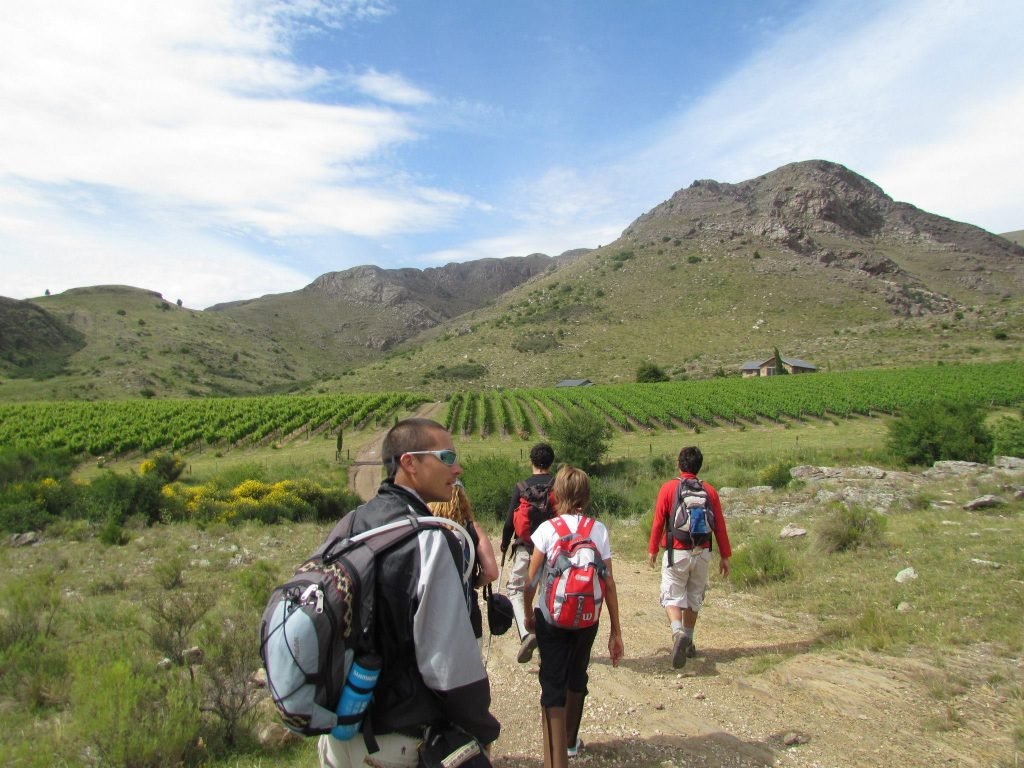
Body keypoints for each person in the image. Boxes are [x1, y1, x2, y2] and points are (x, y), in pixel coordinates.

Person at [318, 418, 501, 768]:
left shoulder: (351, 524)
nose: (457, 467)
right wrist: (482, 727)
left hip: (341, 738)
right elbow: (449, 667)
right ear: (410, 463)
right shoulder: (432, 539)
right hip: (399, 743)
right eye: (446, 457)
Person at [523, 466, 623, 767]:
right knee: (577, 675)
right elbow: (607, 582)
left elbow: (530, 581)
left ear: (557, 495)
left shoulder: (547, 530)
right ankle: (568, 743)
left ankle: (555, 760)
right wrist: (615, 630)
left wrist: (529, 613)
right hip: (587, 618)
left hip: (551, 618)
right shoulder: (599, 530)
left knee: (552, 682)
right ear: (587, 496)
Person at [647, 445, 731, 669]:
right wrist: (725, 556)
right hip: (702, 551)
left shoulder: (669, 488)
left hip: (677, 551)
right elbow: (720, 526)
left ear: (678, 464)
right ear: (699, 466)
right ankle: (690, 640)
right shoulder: (710, 491)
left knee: (672, 594)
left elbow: (658, 522)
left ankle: (678, 634)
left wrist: (653, 549)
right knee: (694, 596)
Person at [500, 442, 555, 663]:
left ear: (531, 461)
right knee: (546, 594)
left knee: (515, 589)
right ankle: (545, 646)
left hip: (525, 547)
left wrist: (504, 544)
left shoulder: (522, 486)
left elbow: (508, 521)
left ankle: (526, 634)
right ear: (551, 462)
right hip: (551, 550)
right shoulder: (557, 485)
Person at [428, 480, 500, 645]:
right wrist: (474, 581)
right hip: (468, 617)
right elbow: (491, 572)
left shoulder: (427, 530)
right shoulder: (472, 529)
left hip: (434, 620)